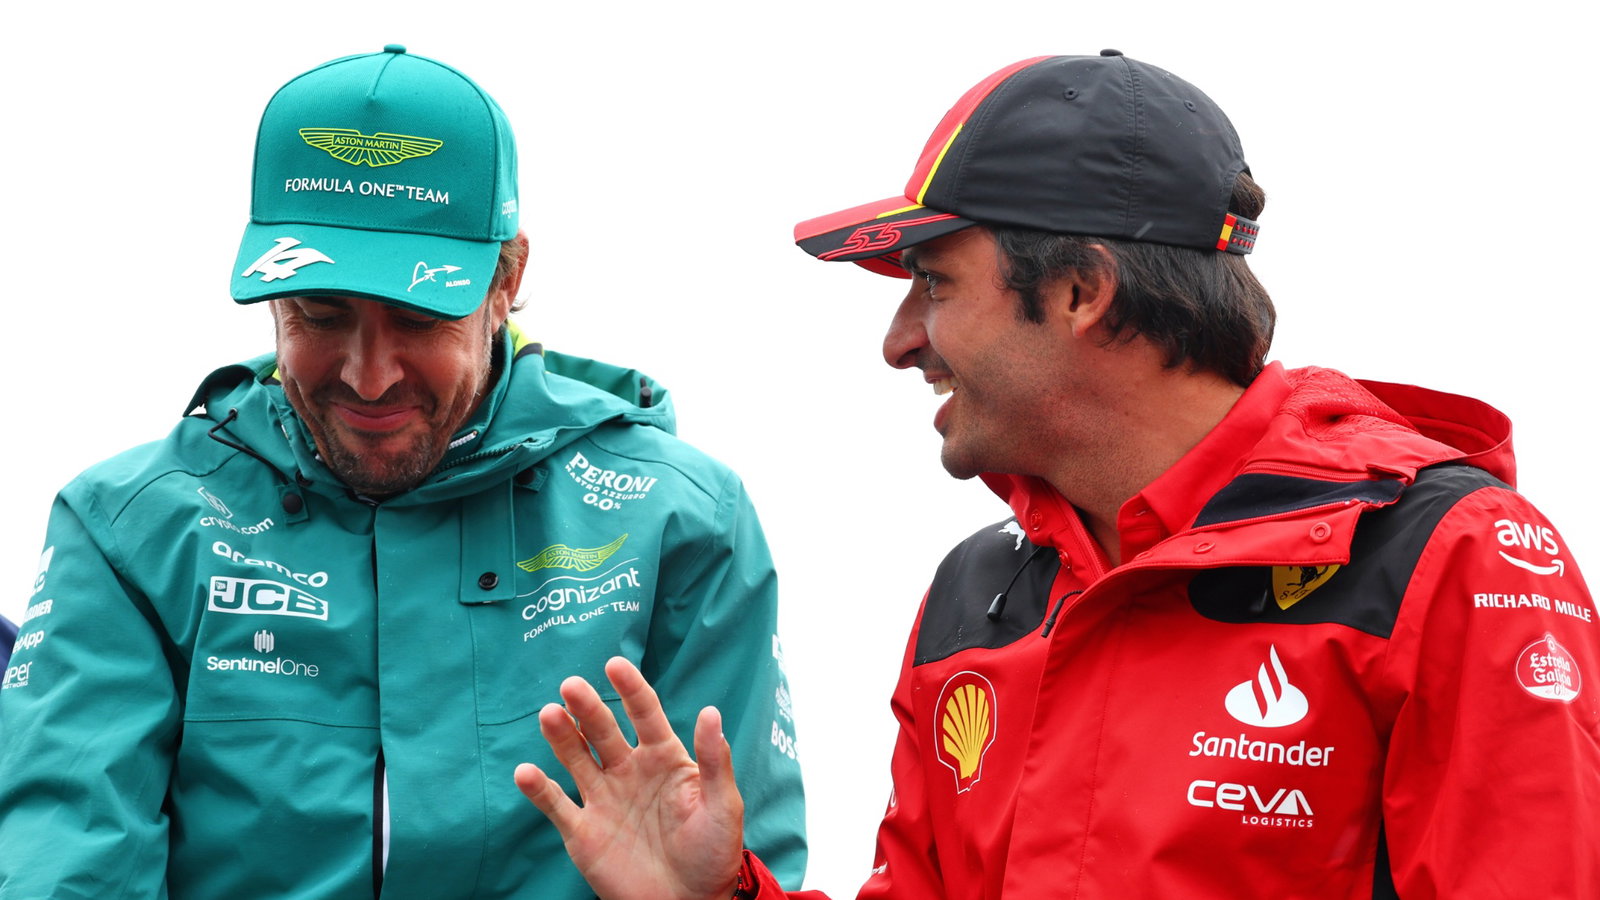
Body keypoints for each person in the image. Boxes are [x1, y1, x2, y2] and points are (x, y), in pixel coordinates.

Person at [513, 51, 1600, 899]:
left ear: (1081, 290)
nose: (899, 341)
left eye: (934, 283)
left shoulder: (1447, 560)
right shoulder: (976, 596)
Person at [0, 46, 806, 899]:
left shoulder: (680, 520)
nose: (369, 374)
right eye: (321, 312)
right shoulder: (128, 528)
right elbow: (66, 869)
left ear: (507, 280)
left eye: (419, 317)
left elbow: (746, 866)